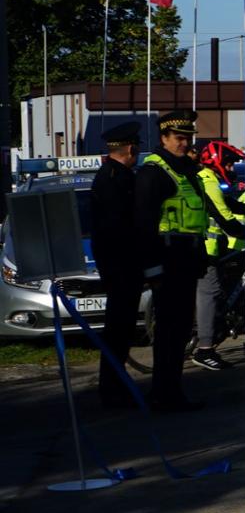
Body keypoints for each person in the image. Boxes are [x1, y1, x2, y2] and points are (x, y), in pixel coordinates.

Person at [135, 111, 238, 411]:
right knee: (168, 330)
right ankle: (163, 394)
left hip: (187, 258)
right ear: (164, 139)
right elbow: (143, 225)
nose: (184, 143)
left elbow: (207, 213)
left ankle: (172, 392)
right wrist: (152, 269)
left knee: (179, 329)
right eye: (179, 138)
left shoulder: (186, 172)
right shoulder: (153, 173)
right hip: (167, 260)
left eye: (188, 138)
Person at [90, 122, 145, 408]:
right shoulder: (117, 179)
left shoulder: (110, 176)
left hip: (118, 263)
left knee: (120, 329)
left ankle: (115, 385)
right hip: (121, 265)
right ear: (131, 149)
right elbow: (121, 227)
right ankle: (113, 389)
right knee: (118, 330)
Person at [190, 140, 245, 372]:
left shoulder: (208, 179)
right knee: (209, 293)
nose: (232, 169)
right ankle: (205, 350)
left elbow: (231, 204)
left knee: (218, 290)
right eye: (229, 164)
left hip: (212, 249)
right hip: (205, 251)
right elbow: (225, 218)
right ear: (219, 163)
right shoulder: (208, 181)